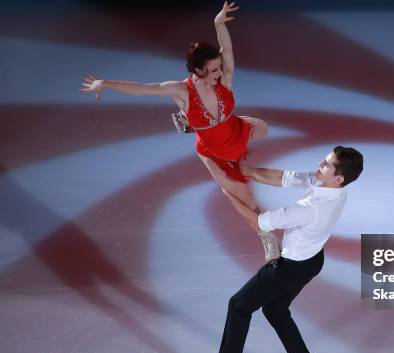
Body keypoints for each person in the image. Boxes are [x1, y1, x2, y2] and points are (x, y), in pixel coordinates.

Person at [80, 2, 281, 261]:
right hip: (213, 150)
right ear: (197, 71)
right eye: (213, 70)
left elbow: (227, 49)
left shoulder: (224, 77)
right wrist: (104, 83)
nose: (221, 73)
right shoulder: (181, 91)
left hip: (234, 128)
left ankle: (193, 123)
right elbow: (142, 88)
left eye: (219, 67)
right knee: (242, 195)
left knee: (264, 129)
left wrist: (219, 24)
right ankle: (268, 237)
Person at [197, 146, 364, 353]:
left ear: (338, 178)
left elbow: (259, 223)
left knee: (239, 306)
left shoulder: (313, 208)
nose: (320, 164)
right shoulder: (333, 188)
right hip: (312, 260)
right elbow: (282, 177)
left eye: (327, 164)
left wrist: (228, 193)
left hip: (289, 268)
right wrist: (248, 172)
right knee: (275, 310)